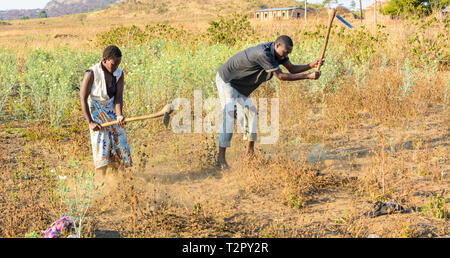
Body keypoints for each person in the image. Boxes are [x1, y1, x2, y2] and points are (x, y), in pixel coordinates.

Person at [216, 35, 324, 169]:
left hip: (241, 86)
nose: (286, 55)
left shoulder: (280, 54)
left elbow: (292, 69)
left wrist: (312, 65)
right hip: (228, 80)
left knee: (251, 114)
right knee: (231, 116)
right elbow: (281, 76)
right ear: (277, 46)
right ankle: (220, 160)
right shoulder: (264, 54)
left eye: (289, 53)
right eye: (285, 52)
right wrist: (308, 76)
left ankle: (250, 155)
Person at [79, 45, 132, 178]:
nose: (116, 68)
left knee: (120, 140)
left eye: (118, 64)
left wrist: (119, 115)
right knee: (101, 144)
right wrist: (90, 122)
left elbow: (118, 98)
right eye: (113, 64)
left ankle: (119, 180)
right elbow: (83, 98)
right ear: (104, 60)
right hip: (95, 110)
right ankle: (100, 184)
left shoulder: (119, 74)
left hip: (111, 110)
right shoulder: (91, 73)